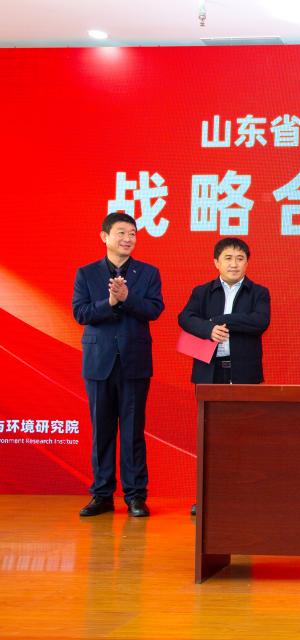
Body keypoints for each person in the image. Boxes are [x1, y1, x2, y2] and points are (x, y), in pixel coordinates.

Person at [72, 212, 164, 518]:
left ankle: (135, 496)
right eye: (121, 233)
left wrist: (127, 298)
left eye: (133, 234)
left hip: (135, 362)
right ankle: (102, 495)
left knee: (133, 431)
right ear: (105, 237)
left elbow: (154, 309)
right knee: (102, 431)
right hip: (98, 363)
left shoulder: (148, 273)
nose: (128, 239)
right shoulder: (86, 273)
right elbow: (81, 313)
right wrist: (110, 303)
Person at [178, 237, 270, 516]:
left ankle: (241, 496)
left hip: (243, 372)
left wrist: (222, 320)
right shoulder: (202, 292)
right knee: (210, 438)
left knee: (244, 437)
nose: (234, 263)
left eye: (240, 258)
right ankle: (207, 498)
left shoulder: (258, 292)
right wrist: (208, 330)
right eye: (228, 258)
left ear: (247, 263)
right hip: (211, 371)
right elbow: (185, 318)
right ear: (216, 262)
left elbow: (260, 321)